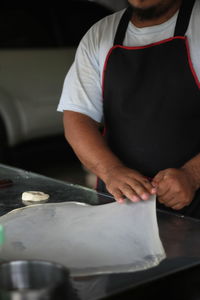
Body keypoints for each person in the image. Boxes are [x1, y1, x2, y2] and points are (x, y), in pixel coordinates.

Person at [58, 0, 200, 218]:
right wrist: (111, 170)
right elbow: (78, 118)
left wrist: (192, 175)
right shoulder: (100, 34)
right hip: (122, 203)